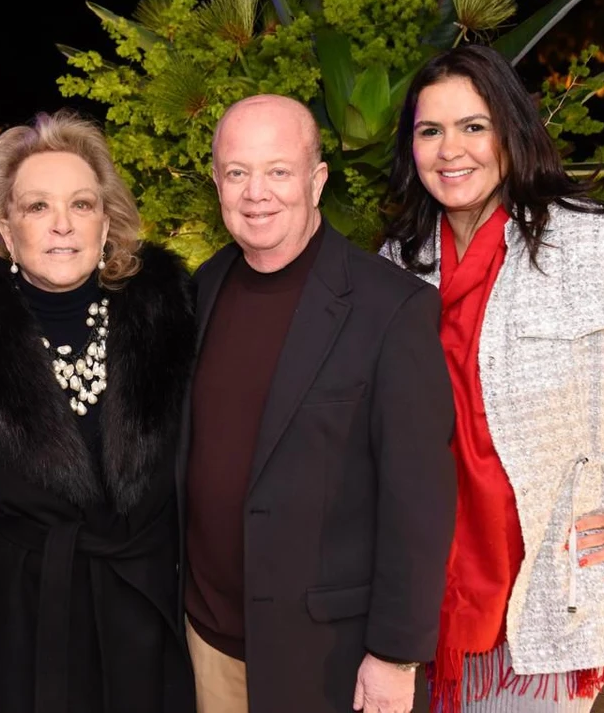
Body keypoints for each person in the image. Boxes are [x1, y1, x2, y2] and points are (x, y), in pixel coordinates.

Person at [379, 43, 604, 712]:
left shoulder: (598, 248)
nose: (450, 149)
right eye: (430, 130)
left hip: (547, 596)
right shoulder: (399, 262)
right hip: (417, 598)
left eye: (473, 126)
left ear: (512, 133)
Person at [181, 93, 457, 713]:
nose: (257, 193)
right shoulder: (201, 289)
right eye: (237, 172)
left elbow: (419, 501)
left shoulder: (391, 308)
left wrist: (394, 654)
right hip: (207, 642)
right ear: (218, 182)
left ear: (316, 180)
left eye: (278, 171)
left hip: (326, 656)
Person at [0, 110, 196, 713]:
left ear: (107, 223)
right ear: (5, 229)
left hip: (145, 606)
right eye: (36, 208)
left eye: (82, 205)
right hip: (22, 613)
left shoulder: (171, 313)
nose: (62, 226)